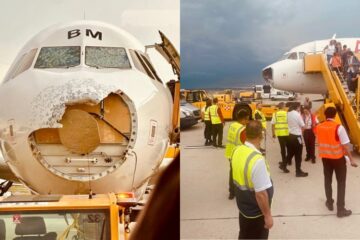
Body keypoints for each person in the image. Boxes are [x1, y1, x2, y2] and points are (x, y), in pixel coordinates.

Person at [231, 120, 273, 239]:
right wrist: (268, 216)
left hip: (244, 207)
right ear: (261, 135)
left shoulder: (237, 150)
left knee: (244, 234)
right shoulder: (257, 160)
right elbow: (261, 194)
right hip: (256, 212)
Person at [316, 107, 358, 217]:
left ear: (325, 115)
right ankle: (340, 209)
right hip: (338, 159)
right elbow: (345, 145)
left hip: (325, 158)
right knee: (341, 182)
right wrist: (351, 160)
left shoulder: (319, 127)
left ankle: (329, 202)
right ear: (335, 115)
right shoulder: (339, 128)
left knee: (327, 180)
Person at [225, 109, 250, 200]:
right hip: (239, 155)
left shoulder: (232, 125)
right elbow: (246, 143)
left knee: (232, 173)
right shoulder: (242, 129)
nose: (247, 121)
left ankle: (232, 192)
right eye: (247, 119)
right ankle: (242, 192)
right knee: (241, 174)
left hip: (230, 153)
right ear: (243, 119)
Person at [286, 102, 308, 177]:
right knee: (298, 155)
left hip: (290, 135)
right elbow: (303, 126)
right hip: (297, 136)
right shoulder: (297, 114)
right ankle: (298, 171)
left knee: (291, 152)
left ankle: (283, 164)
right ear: (297, 107)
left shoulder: (288, 113)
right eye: (300, 107)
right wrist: (305, 126)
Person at [271, 102, 290, 173]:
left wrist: (273, 133)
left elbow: (273, 125)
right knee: (289, 148)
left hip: (279, 134)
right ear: (283, 106)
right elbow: (289, 123)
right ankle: (286, 163)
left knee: (283, 149)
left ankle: (284, 162)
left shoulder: (275, 114)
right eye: (285, 106)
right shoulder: (287, 113)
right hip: (287, 133)